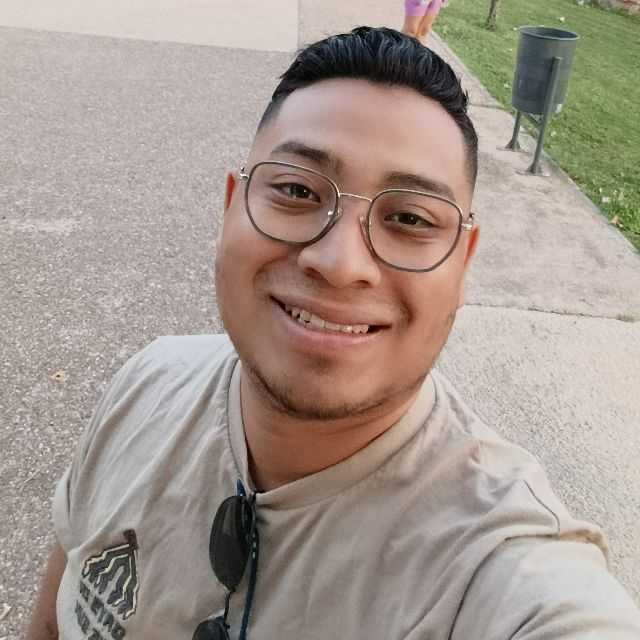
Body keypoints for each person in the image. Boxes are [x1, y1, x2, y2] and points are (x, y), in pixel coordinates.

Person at [28, 26, 640, 640]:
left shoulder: (502, 568)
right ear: (231, 206)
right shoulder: (146, 385)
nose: (341, 263)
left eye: (410, 218)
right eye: (296, 190)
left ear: (463, 263)